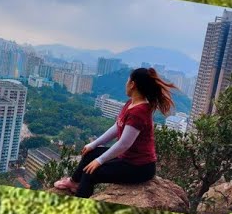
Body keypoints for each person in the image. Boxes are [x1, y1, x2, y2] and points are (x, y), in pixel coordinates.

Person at [54, 68, 175, 199]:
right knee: (90, 153)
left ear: (132, 84)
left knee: (91, 172)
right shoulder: (131, 103)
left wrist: (100, 161)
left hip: (139, 167)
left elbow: (124, 144)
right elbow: (118, 126)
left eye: (128, 80)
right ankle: (74, 183)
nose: (126, 83)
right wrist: (94, 144)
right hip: (127, 158)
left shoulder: (139, 111)